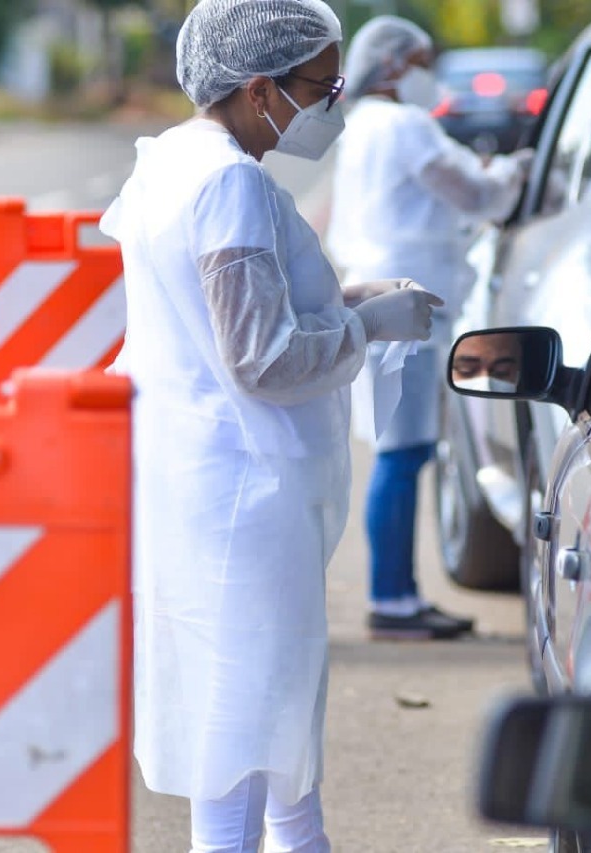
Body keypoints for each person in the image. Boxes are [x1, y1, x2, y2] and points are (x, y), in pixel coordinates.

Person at [99, 2, 443, 851]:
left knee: (264, 716)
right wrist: (368, 328)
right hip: (244, 495)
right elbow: (261, 356)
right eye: (321, 89)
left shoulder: (172, 161)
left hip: (200, 482)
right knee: (245, 723)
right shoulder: (230, 184)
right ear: (259, 90)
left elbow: (231, 317)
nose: (334, 106)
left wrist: (358, 301)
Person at [326, 16, 534, 641]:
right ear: (393, 65)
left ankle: (398, 594)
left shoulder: (362, 125)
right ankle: (392, 600)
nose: (429, 70)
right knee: (403, 453)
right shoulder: (403, 124)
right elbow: (473, 195)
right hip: (406, 308)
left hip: (381, 299)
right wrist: (515, 172)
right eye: (422, 58)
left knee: (400, 452)